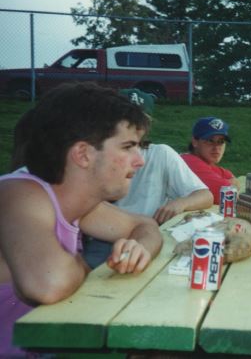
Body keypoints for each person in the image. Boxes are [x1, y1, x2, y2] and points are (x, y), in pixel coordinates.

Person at [0, 82, 163, 357]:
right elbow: (47, 285)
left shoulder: (77, 203)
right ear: (83, 154)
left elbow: (145, 226)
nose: (139, 161)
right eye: (128, 147)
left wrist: (140, 249)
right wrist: (86, 267)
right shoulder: (18, 193)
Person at [82, 88, 213, 268]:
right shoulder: (99, 155)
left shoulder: (161, 154)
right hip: (102, 238)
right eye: (125, 119)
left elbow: (205, 195)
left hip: (147, 236)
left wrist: (179, 203)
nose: (133, 127)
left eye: (139, 120)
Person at [181, 116, 240, 204]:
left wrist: (228, 184)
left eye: (221, 142)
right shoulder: (188, 161)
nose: (216, 148)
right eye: (210, 141)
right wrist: (228, 184)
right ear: (195, 142)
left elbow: (234, 180)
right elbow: (227, 195)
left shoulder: (206, 164)